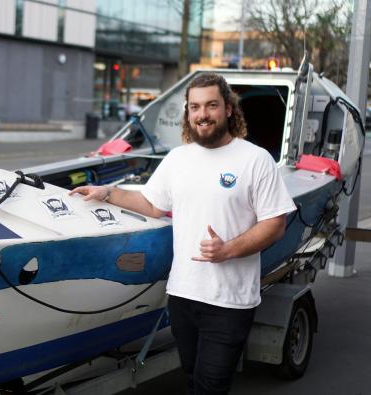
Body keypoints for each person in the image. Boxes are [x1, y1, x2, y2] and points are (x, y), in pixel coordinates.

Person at [70, 73, 296, 394]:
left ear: (228, 109)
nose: (202, 114)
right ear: (188, 113)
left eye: (211, 105)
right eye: (195, 107)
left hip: (229, 301)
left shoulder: (255, 159)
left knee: (210, 386)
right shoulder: (178, 159)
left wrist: (228, 250)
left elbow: (275, 223)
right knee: (192, 378)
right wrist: (106, 192)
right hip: (183, 295)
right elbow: (151, 204)